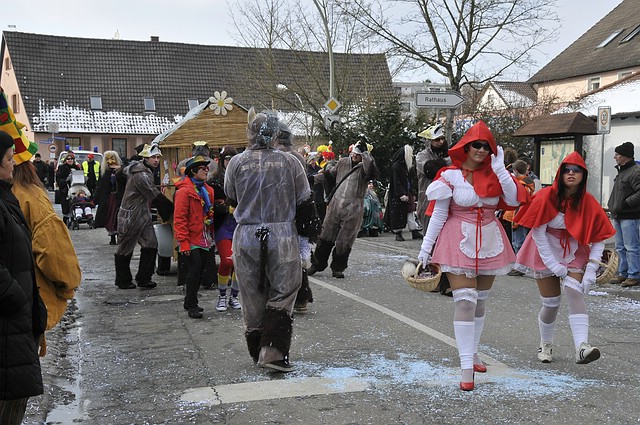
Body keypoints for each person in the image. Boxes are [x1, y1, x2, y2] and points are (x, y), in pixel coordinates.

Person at [417, 120, 528, 391]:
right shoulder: (450, 175)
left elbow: (515, 200)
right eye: (476, 145)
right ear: (466, 147)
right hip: (458, 239)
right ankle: (466, 366)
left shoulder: (496, 174)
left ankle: (474, 352)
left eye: (486, 146)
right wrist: (425, 248)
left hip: (489, 238)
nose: (481, 150)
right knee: (465, 302)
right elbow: (439, 214)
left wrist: (500, 169)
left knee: (479, 302)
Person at [225, 111, 317, 372]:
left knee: (251, 292)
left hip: (246, 236)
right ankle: (273, 350)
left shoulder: (236, 163)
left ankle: (257, 347)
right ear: (276, 133)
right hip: (281, 235)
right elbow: (304, 200)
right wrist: (306, 240)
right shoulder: (290, 162)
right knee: (284, 289)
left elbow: (231, 195)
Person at [514, 152, 615, 365]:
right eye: (567, 170)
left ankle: (582, 347)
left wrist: (591, 269)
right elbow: (538, 232)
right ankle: (545, 343)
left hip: (574, 250)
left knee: (575, 293)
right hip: (545, 249)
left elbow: (599, 238)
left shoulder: (588, 202)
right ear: (560, 173)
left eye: (576, 170)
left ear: (583, 175)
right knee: (551, 303)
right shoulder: (546, 196)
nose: (571, 173)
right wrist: (552, 264)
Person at [0, 130, 46, 425]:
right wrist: (16, 297)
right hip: (7, 320)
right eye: (8, 159)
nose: (13, 164)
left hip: (16, 321)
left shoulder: (7, 198)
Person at [307, 137, 378, 278]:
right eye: (354, 153)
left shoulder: (365, 168)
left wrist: (366, 155)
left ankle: (338, 267)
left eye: (358, 154)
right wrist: (313, 179)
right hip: (335, 205)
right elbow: (329, 176)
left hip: (353, 209)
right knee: (325, 236)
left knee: (344, 241)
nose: (355, 155)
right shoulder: (343, 162)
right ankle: (317, 264)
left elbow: (372, 172)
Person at [114, 143, 173, 290]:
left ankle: (144, 278)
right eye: (153, 157)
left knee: (151, 244)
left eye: (158, 157)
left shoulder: (142, 169)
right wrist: (171, 209)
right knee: (125, 248)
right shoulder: (141, 174)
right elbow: (153, 194)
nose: (156, 160)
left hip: (142, 214)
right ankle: (123, 280)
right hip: (130, 215)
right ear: (145, 158)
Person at [174, 155, 216, 319]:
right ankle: (192, 304)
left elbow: (209, 213)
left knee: (200, 269)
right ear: (193, 171)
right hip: (191, 238)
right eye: (203, 169)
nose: (206, 171)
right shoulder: (184, 192)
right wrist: (183, 242)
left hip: (204, 236)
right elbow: (179, 219)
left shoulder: (208, 190)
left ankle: (189, 301)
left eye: (207, 168)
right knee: (194, 268)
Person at [208, 145, 241, 312]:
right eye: (226, 159)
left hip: (241, 226)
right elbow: (207, 204)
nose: (229, 161)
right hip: (223, 226)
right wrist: (224, 208)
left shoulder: (243, 178)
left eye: (232, 158)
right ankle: (222, 296)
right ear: (222, 161)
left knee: (240, 263)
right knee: (228, 261)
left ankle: (234, 297)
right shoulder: (214, 181)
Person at [607, 142, 640, 287]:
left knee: (631, 247)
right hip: (619, 215)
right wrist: (613, 206)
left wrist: (625, 203)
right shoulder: (622, 171)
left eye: (617, 154)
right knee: (620, 247)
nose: (615, 157)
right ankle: (623, 273)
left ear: (626, 156)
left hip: (630, 216)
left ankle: (634, 275)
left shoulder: (635, 171)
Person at [416, 124, 450, 232]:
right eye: (437, 139)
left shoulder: (447, 154)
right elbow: (430, 170)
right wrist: (446, 162)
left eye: (442, 139)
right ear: (429, 141)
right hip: (427, 198)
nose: (440, 142)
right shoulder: (421, 156)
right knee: (429, 233)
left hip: (446, 197)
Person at [503, 159, 536, 272]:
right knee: (516, 242)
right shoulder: (527, 182)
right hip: (520, 216)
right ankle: (519, 265)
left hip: (518, 216)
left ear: (515, 171)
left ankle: (520, 266)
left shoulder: (521, 184)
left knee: (518, 243)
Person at [385, 144, 422, 241]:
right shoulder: (396, 167)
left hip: (407, 193)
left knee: (410, 212)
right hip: (399, 195)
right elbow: (396, 182)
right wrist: (401, 194)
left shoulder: (406, 167)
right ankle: (398, 233)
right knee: (398, 214)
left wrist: (412, 193)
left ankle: (414, 230)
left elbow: (410, 181)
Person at [94, 150, 124, 245]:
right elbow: (100, 185)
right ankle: (112, 237)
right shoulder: (104, 171)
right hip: (108, 197)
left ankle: (119, 235)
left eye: (112, 158)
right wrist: (95, 199)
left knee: (118, 216)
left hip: (119, 197)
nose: (110, 161)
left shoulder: (122, 170)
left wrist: (119, 170)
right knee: (109, 217)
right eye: (108, 158)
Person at [56, 152, 81, 225]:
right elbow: (58, 179)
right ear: (65, 160)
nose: (70, 160)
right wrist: (66, 180)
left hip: (76, 187)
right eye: (68, 159)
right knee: (66, 205)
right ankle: (66, 219)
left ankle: (76, 216)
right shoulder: (62, 168)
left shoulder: (77, 167)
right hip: (65, 188)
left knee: (76, 202)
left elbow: (80, 176)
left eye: (71, 159)